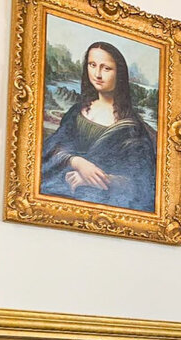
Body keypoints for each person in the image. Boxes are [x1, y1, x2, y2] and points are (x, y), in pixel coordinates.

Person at [40, 41, 156, 213]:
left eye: (106, 68)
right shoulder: (76, 112)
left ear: (119, 74)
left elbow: (142, 182)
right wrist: (77, 162)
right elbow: (51, 148)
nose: (97, 74)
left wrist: (100, 179)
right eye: (92, 65)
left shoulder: (131, 128)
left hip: (103, 205)